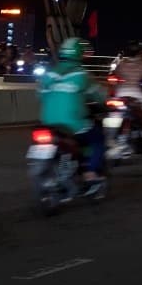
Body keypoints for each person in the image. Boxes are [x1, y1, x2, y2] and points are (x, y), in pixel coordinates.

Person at [37, 37, 106, 191]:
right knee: (97, 140)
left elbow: (40, 95)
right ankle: (90, 173)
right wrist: (104, 105)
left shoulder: (49, 74)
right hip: (73, 123)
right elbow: (99, 96)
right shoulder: (82, 74)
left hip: (47, 122)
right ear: (79, 54)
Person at [110, 41, 142, 139]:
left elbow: (115, 75)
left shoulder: (122, 63)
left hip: (120, 92)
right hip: (135, 91)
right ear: (140, 52)